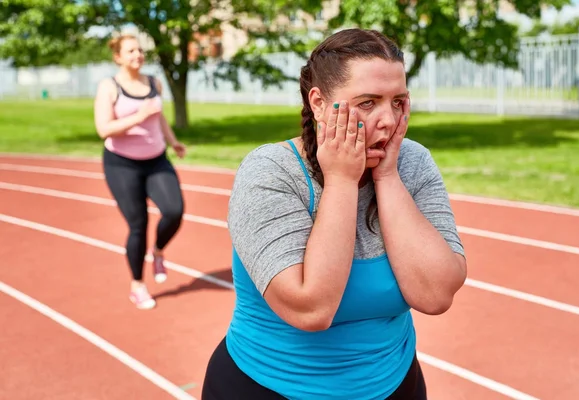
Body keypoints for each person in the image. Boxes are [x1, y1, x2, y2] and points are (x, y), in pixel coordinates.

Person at [202, 28, 467, 399]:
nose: (388, 120)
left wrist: (387, 176)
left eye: (398, 102)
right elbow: (312, 309)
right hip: (270, 388)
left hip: (393, 385)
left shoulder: (412, 162)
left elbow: (437, 295)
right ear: (319, 103)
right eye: (367, 102)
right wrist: (342, 180)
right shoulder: (270, 171)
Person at [93, 34, 187, 310]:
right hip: (122, 164)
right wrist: (138, 116)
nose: (138, 54)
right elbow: (104, 129)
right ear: (118, 57)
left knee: (174, 211)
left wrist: (173, 141)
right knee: (139, 225)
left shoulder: (153, 83)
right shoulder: (109, 87)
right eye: (131, 50)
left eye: (140, 50)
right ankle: (137, 285)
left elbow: (158, 117)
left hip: (157, 159)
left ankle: (157, 251)